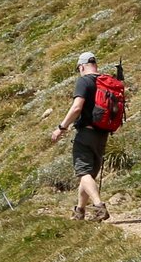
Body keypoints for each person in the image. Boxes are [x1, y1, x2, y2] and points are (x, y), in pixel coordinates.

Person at [48, 51, 126, 223]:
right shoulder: (105, 81)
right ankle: (80, 211)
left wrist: (61, 128)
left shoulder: (84, 81)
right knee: (88, 175)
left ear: (82, 66)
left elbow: (77, 107)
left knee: (83, 172)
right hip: (102, 133)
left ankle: (99, 206)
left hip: (86, 133)